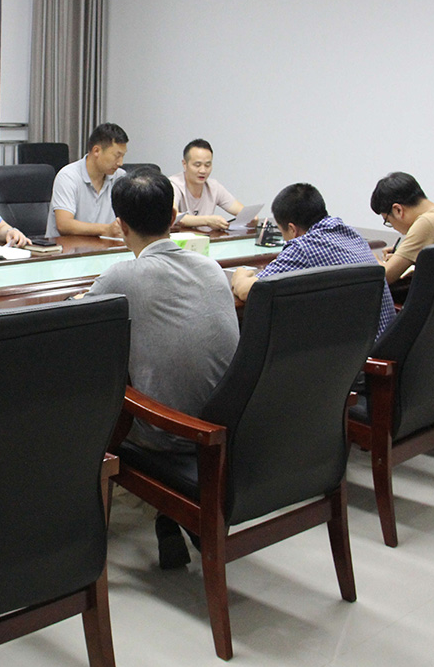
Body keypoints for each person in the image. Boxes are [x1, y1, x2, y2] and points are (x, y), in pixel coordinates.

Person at [84, 170, 239, 569]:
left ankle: (78, 538)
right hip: (230, 430)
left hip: (174, 438)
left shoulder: (123, 275)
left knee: (97, 397)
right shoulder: (210, 268)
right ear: (173, 217)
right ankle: (168, 520)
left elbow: (75, 321)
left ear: (121, 226)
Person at [231, 183, 395, 339]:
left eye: (282, 232)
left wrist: (240, 274)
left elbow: (249, 291)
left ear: (292, 229)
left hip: (359, 352)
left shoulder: (302, 247)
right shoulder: (350, 232)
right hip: (384, 342)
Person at [46, 123, 129, 238]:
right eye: (117, 156)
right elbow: (64, 225)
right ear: (96, 151)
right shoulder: (68, 176)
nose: (120, 163)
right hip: (69, 247)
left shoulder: (120, 177)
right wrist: (107, 229)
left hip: (106, 246)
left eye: (123, 156)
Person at [170, 139, 253, 231]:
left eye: (207, 165)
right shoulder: (173, 185)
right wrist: (207, 221)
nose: (203, 171)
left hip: (208, 238)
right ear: (185, 164)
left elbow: (242, 212)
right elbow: (173, 216)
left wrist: (252, 217)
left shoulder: (213, 186)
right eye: (197, 165)